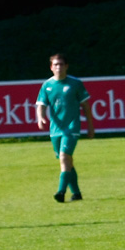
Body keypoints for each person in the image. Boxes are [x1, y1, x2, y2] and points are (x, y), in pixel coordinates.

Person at [36, 52, 94, 202]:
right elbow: (41, 104)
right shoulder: (47, 85)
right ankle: (77, 194)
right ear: (51, 67)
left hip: (71, 127)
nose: (58, 67)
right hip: (55, 129)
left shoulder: (75, 83)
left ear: (66, 66)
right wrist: (41, 117)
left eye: (61, 64)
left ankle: (61, 192)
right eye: (55, 64)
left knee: (64, 157)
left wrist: (90, 126)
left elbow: (86, 106)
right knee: (67, 161)